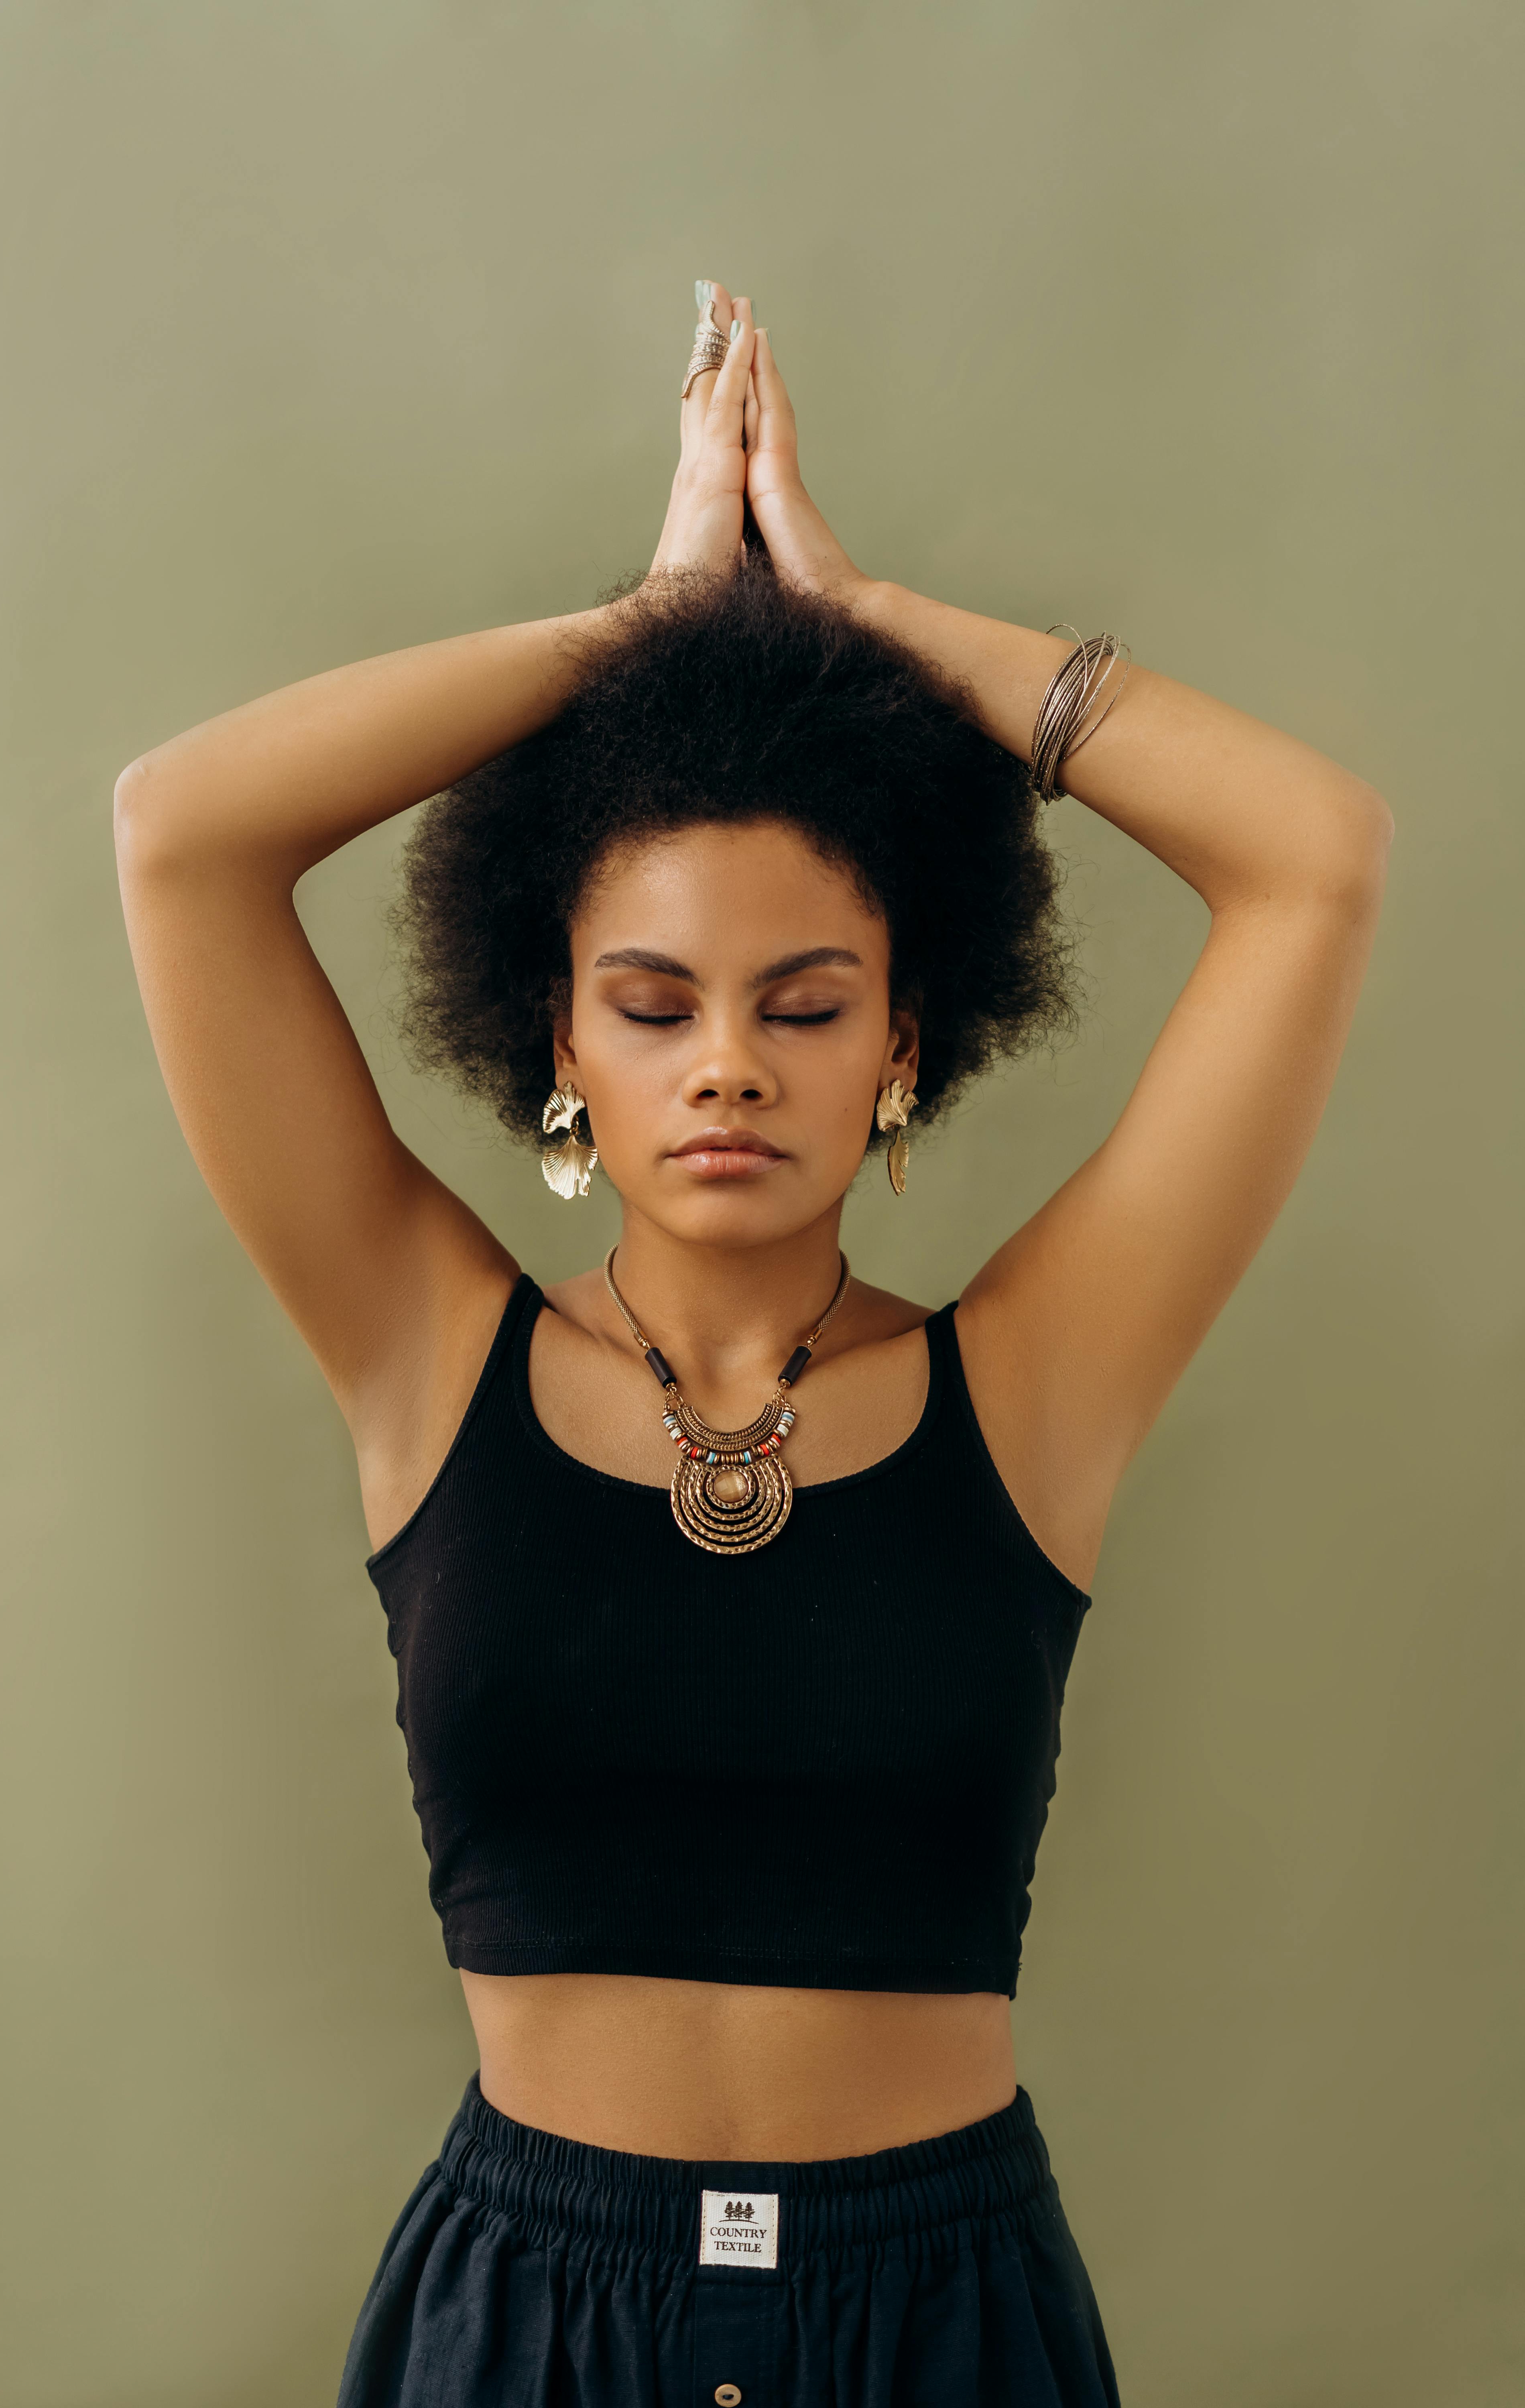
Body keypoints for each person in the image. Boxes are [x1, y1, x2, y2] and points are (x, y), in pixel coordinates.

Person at [113, 279, 1393, 2406]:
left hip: (946, 2319)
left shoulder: (1033, 1388)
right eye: (654, 1004)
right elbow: (185, 833)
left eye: (805, 1006)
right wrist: (648, 638)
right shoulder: (428, 1353)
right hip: (526, 2315)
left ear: (907, 1039)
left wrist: (862, 623)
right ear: (558, 1043)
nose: (729, 1067)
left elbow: (1313, 858)